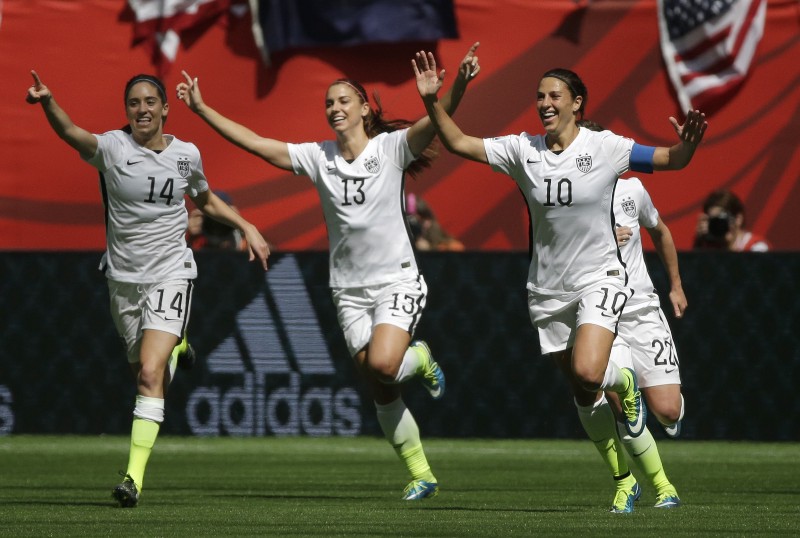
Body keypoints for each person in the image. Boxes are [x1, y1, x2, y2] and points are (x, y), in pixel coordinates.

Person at [176, 42, 482, 500]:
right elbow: (258, 145)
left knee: (385, 364)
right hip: (348, 291)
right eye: (328, 103)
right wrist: (202, 110)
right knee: (379, 386)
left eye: (342, 101)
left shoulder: (392, 148)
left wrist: (448, 88)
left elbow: (435, 125)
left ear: (363, 108)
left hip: (396, 279)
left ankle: (420, 358)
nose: (334, 108)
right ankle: (422, 474)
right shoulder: (320, 157)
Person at [414, 52, 707, 512]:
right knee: (583, 392)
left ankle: (627, 385)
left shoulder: (606, 147)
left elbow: (670, 159)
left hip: (601, 279)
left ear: (577, 104)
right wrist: (434, 102)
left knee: (592, 372)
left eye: (554, 96)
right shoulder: (522, 150)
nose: (544, 103)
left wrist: (688, 147)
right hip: (547, 291)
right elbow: (456, 142)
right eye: (539, 96)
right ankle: (624, 480)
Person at [26, 70, 270, 508]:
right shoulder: (113, 149)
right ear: (127, 111)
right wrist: (49, 102)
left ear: (165, 108)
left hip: (171, 272)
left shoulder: (186, 155)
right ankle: (177, 347)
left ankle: (132, 480)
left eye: (149, 102)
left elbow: (205, 199)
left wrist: (246, 224)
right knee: (144, 370)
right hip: (123, 279)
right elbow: (71, 133)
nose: (142, 109)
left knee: (149, 374)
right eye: (134, 103)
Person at [580, 116, 685, 510]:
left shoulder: (632, 190)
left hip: (641, 308)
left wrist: (675, 285)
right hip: (602, 313)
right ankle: (660, 487)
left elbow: (660, 231)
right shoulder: (567, 199)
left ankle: (660, 402)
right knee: (616, 398)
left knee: (667, 411)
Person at [693, 189, 770, 251]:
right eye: (714, 221)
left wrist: (730, 246)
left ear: (738, 219)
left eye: (721, 219)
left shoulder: (757, 248)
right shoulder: (709, 247)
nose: (718, 224)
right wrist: (699, 242)